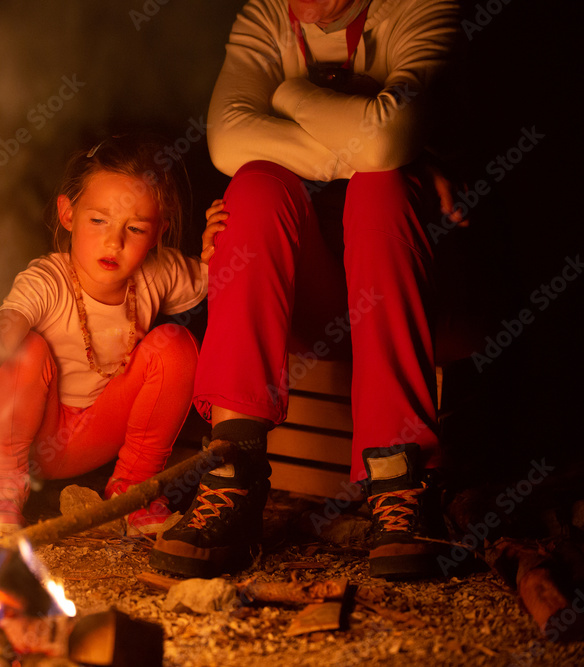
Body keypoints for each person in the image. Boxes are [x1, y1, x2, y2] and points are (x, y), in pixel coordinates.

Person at [150, 0, 463, 579]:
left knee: (382, 189)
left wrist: (288, 97)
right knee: (252, 190)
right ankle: (234, 470)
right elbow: (227, 140)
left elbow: (392, 134)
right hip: (317, 305)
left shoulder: (420, 7)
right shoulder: (266, 16)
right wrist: (375, 146)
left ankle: (400, 483)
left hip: (432, 300)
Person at [0, 135, 208, 537]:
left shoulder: (159, 272)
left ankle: (134, 494)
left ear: (158, 231)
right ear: (67, 213)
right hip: (31, 436)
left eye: (134, 228)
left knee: (175, 346)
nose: (113, 241)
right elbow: (7, 326)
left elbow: (218, 279)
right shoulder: (48, 279)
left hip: (99, 432)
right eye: (98, 221)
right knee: (24, 349)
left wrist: (222, 246)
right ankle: (0, 496)